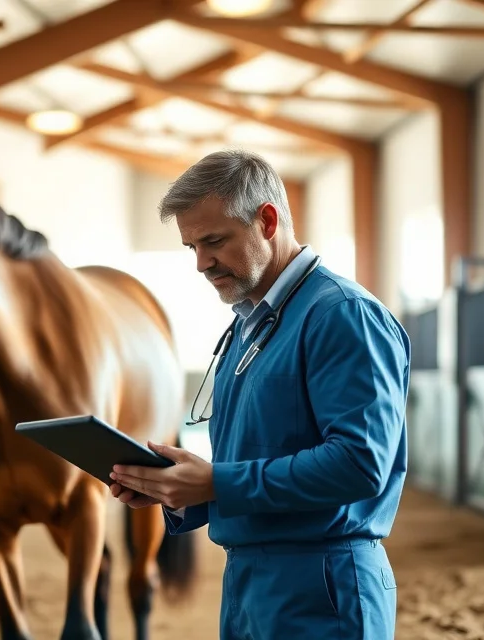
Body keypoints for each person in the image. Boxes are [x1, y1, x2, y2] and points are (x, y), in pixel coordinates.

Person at [108, 149, 410, 639]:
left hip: (322, 587)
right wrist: (178, 489)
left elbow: (360, 463)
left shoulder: (342, 315)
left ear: (267, 220)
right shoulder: (250, 325)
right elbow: (260, 457)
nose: (202, 264)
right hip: (249, 584)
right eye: (192, 248)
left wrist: (218, 484)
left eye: (214, 241)